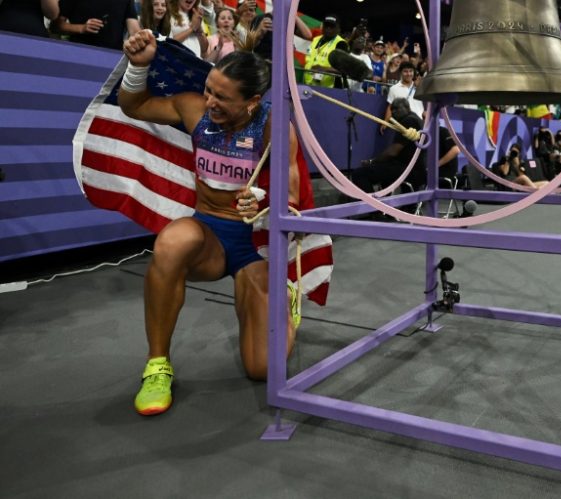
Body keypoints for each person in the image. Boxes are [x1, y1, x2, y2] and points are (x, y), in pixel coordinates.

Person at [119, 30, 307, 415]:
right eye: (209, 90)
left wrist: (264, 203)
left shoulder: (275, 127)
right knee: (170, 243)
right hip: (208, 234)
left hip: (253, 247)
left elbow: (290, 197)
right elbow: (134, 107)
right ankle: (157, 366)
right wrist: (138, 67)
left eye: (222, 97)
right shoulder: (194, 110)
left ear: (252, 101)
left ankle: (284, 300)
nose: (210, 102)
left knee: (261, 368)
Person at [354, 98, 425, 192]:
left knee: (359, 173)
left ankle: (372, 205)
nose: (394, 112)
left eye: (396, 109)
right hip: (416, 169)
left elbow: (392, 152)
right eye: (392, 110)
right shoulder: (417, 120)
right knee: (382, 170)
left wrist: (372, 161)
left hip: (408, 169)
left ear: (407, 108)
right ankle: (382, 202)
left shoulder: (408, 121)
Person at [52, 0, 140, 49]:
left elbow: (134, 30)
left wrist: (143, 37)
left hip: (113, 58)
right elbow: (55, 26)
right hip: (80, 53)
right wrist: (82, 28)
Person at [303, 14, 348, 88]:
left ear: (338, 29)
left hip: (329, 89)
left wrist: (323, 69)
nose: (328, 28)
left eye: (332, 26)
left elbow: (344, 70)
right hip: (308, 85)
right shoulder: (315, 40)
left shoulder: (341, 43)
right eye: (326, 25)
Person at [380, 61, 423, 135]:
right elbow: (390, 107)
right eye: (405, 71)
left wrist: (420, 87)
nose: (408, 74)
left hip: (420, 123)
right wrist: (385, 122)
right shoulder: (394, 88)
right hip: (403, 126)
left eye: (410, 71)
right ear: (400, 73)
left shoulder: (419, 86)